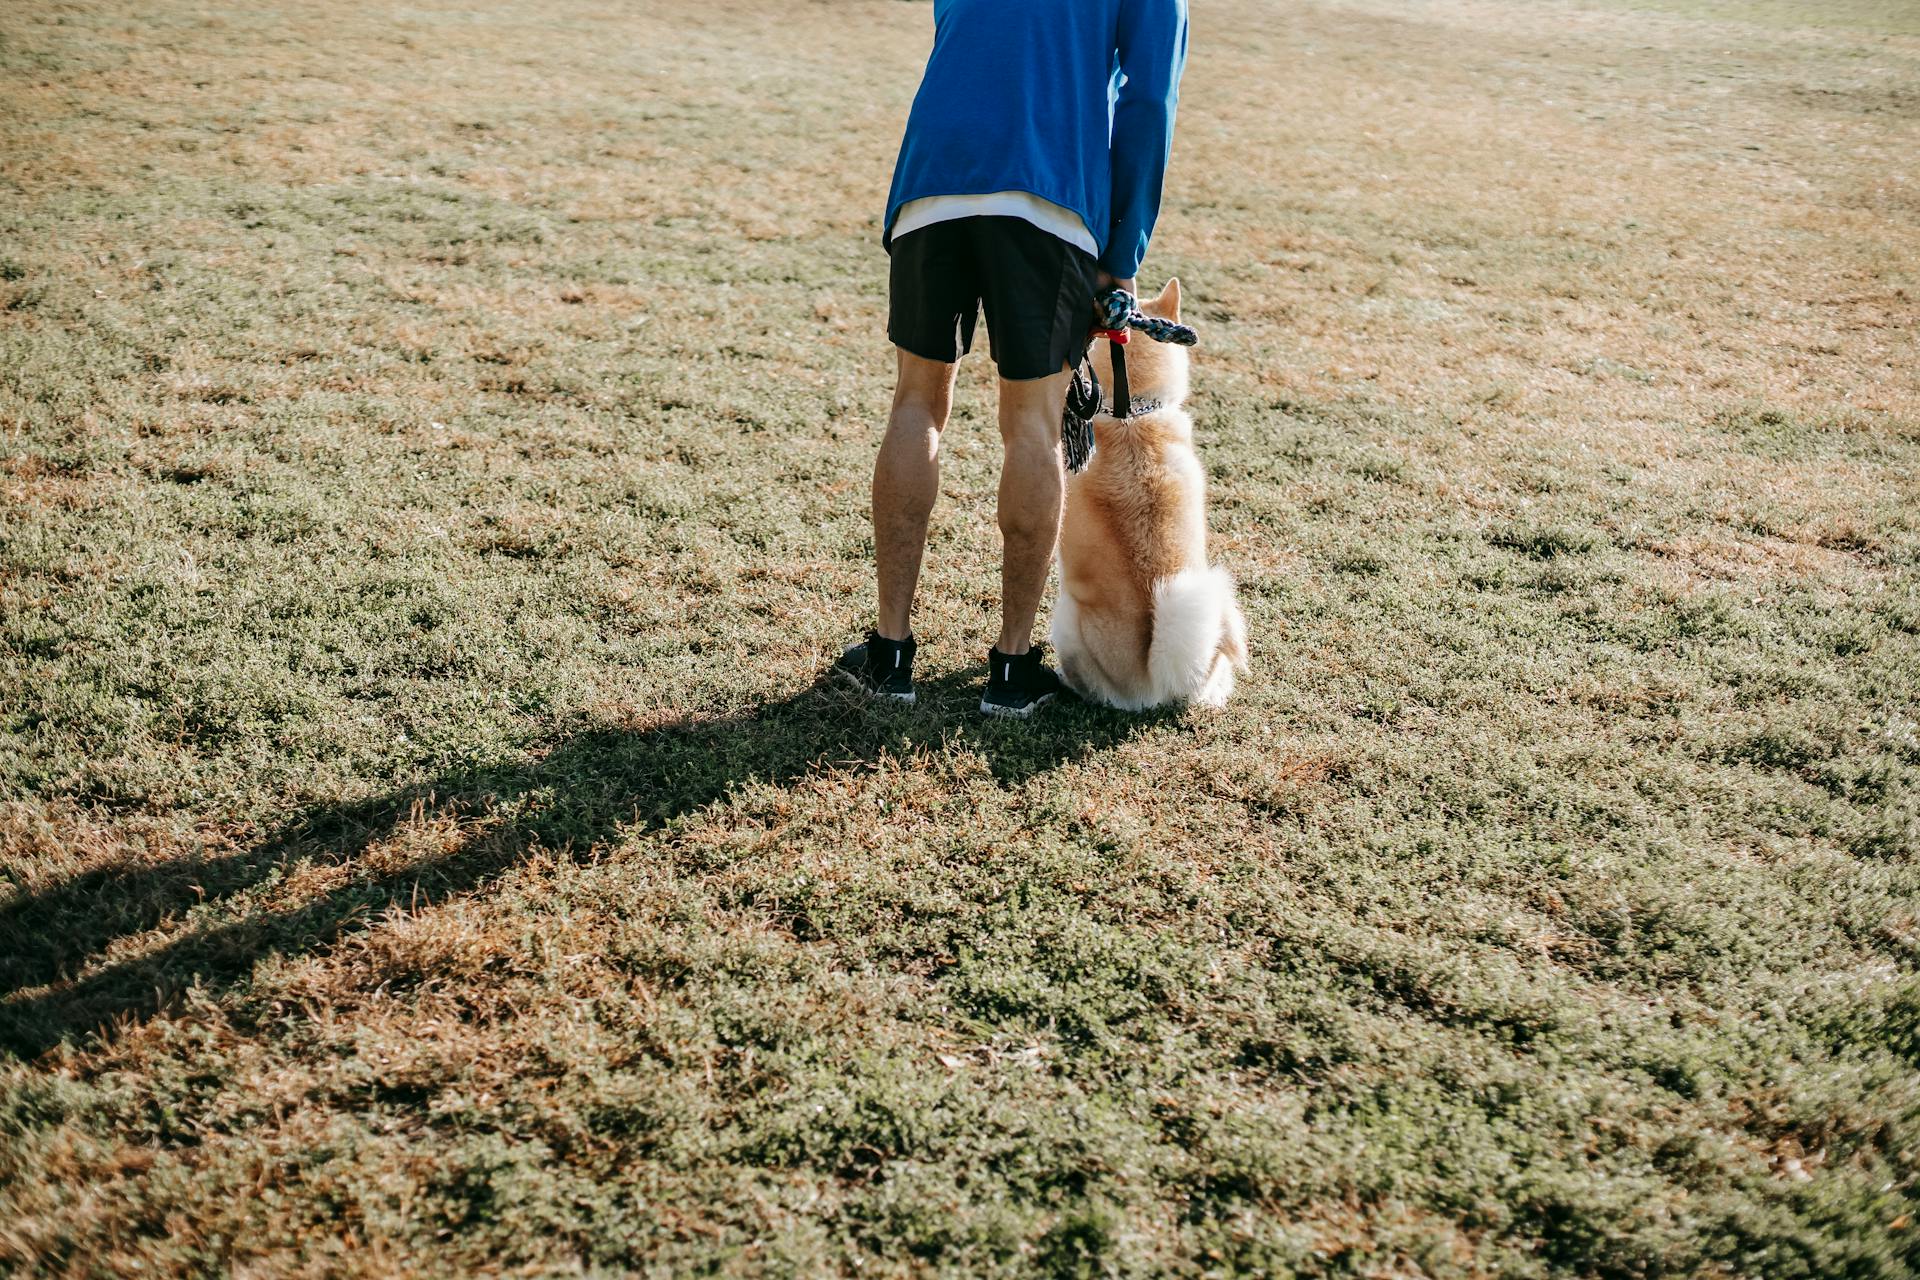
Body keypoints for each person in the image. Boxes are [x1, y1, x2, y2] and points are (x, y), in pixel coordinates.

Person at [835, 0, 1190, 719]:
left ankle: (889, 652)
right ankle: (1009, 667)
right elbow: (1150, 96)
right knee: (1032, 425)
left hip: (932, 176)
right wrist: (1122, 259)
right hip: (1050, 188)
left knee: (915, 402)